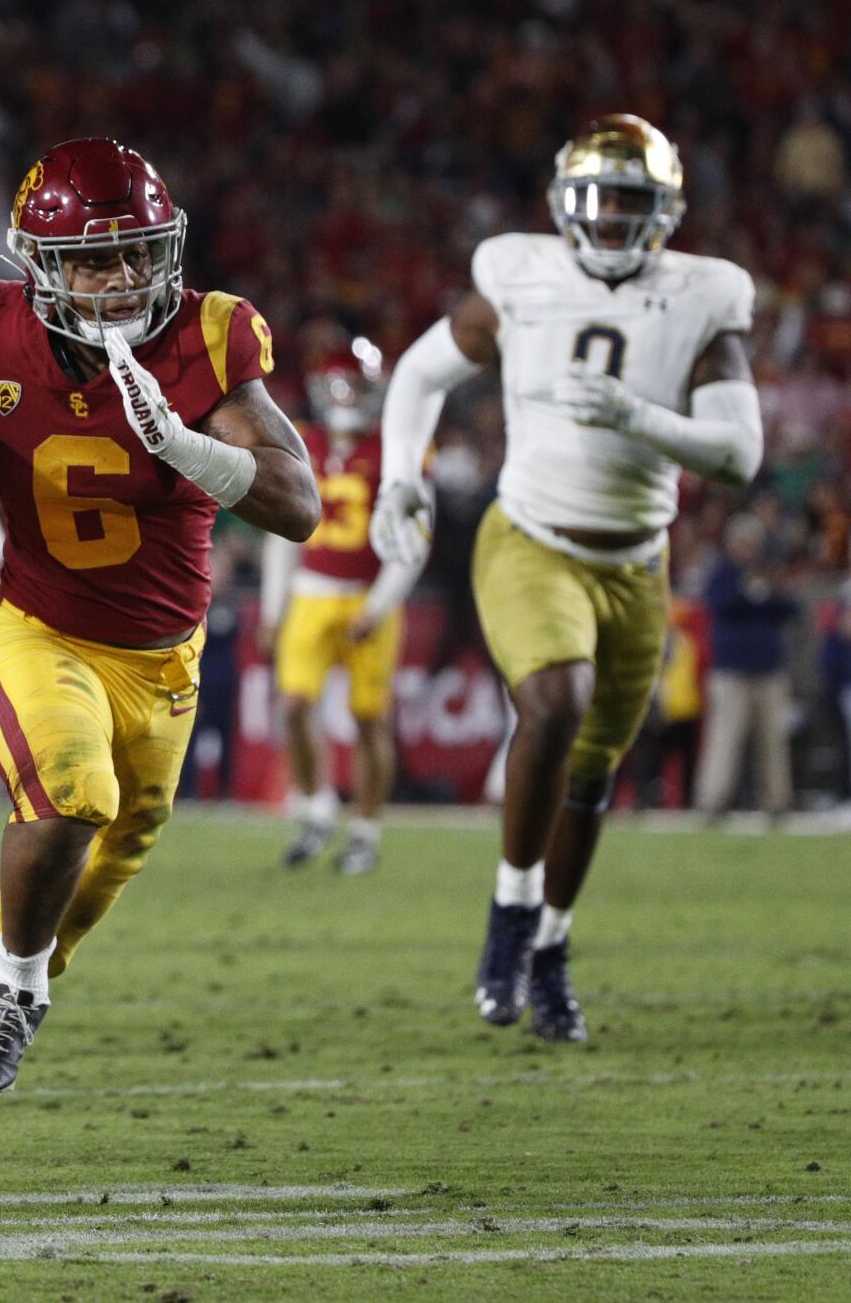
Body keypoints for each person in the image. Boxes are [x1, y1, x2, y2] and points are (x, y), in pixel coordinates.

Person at [0, 137, 319, 1163]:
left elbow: (296, 503)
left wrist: (188, 447)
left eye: (134, 253)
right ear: (38, 262)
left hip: (164, 668)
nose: (119, 278)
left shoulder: (209, 339)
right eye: (90, 259)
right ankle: (21, 998)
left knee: (30, 914)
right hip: (37, 628)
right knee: (68, 800)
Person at [370, 115, 763, 1042]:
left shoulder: (704, 295)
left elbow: (739, 453)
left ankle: (550, 947)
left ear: (665, 211)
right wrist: (400, 473)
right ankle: (509, 913)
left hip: (636, 563)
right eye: (599, 200)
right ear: (563, 206)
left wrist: (640, 418)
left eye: (633, 202)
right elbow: (421, 377)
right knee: (553, 702)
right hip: (530, 539)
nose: (615, 219)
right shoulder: (522, 276)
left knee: (591, 776)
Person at [260, 341, 420, 875]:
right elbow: (282, 531)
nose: (346, 396)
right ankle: (317, 808)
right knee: (292, 706)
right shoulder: (301, 443)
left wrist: (381, 603)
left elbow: (412, 537)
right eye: (338, 385)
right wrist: (272, 605)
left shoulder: (396, 450)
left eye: (355, 385)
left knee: (370, 717)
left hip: (367, 595)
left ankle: (366, 831)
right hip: (311, 590)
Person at [693, 513, 799, 818]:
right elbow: (719, 604)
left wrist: (760, 597)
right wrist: (752, 598)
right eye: (743, 541)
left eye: (752, 542)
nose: (748, 547)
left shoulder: (766, 570)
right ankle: (713, 800)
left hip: (768, 669)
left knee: (774, 740)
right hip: (731, 671)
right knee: (725, 737)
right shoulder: (723, 571)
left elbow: (788, 606)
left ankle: (778, 801)